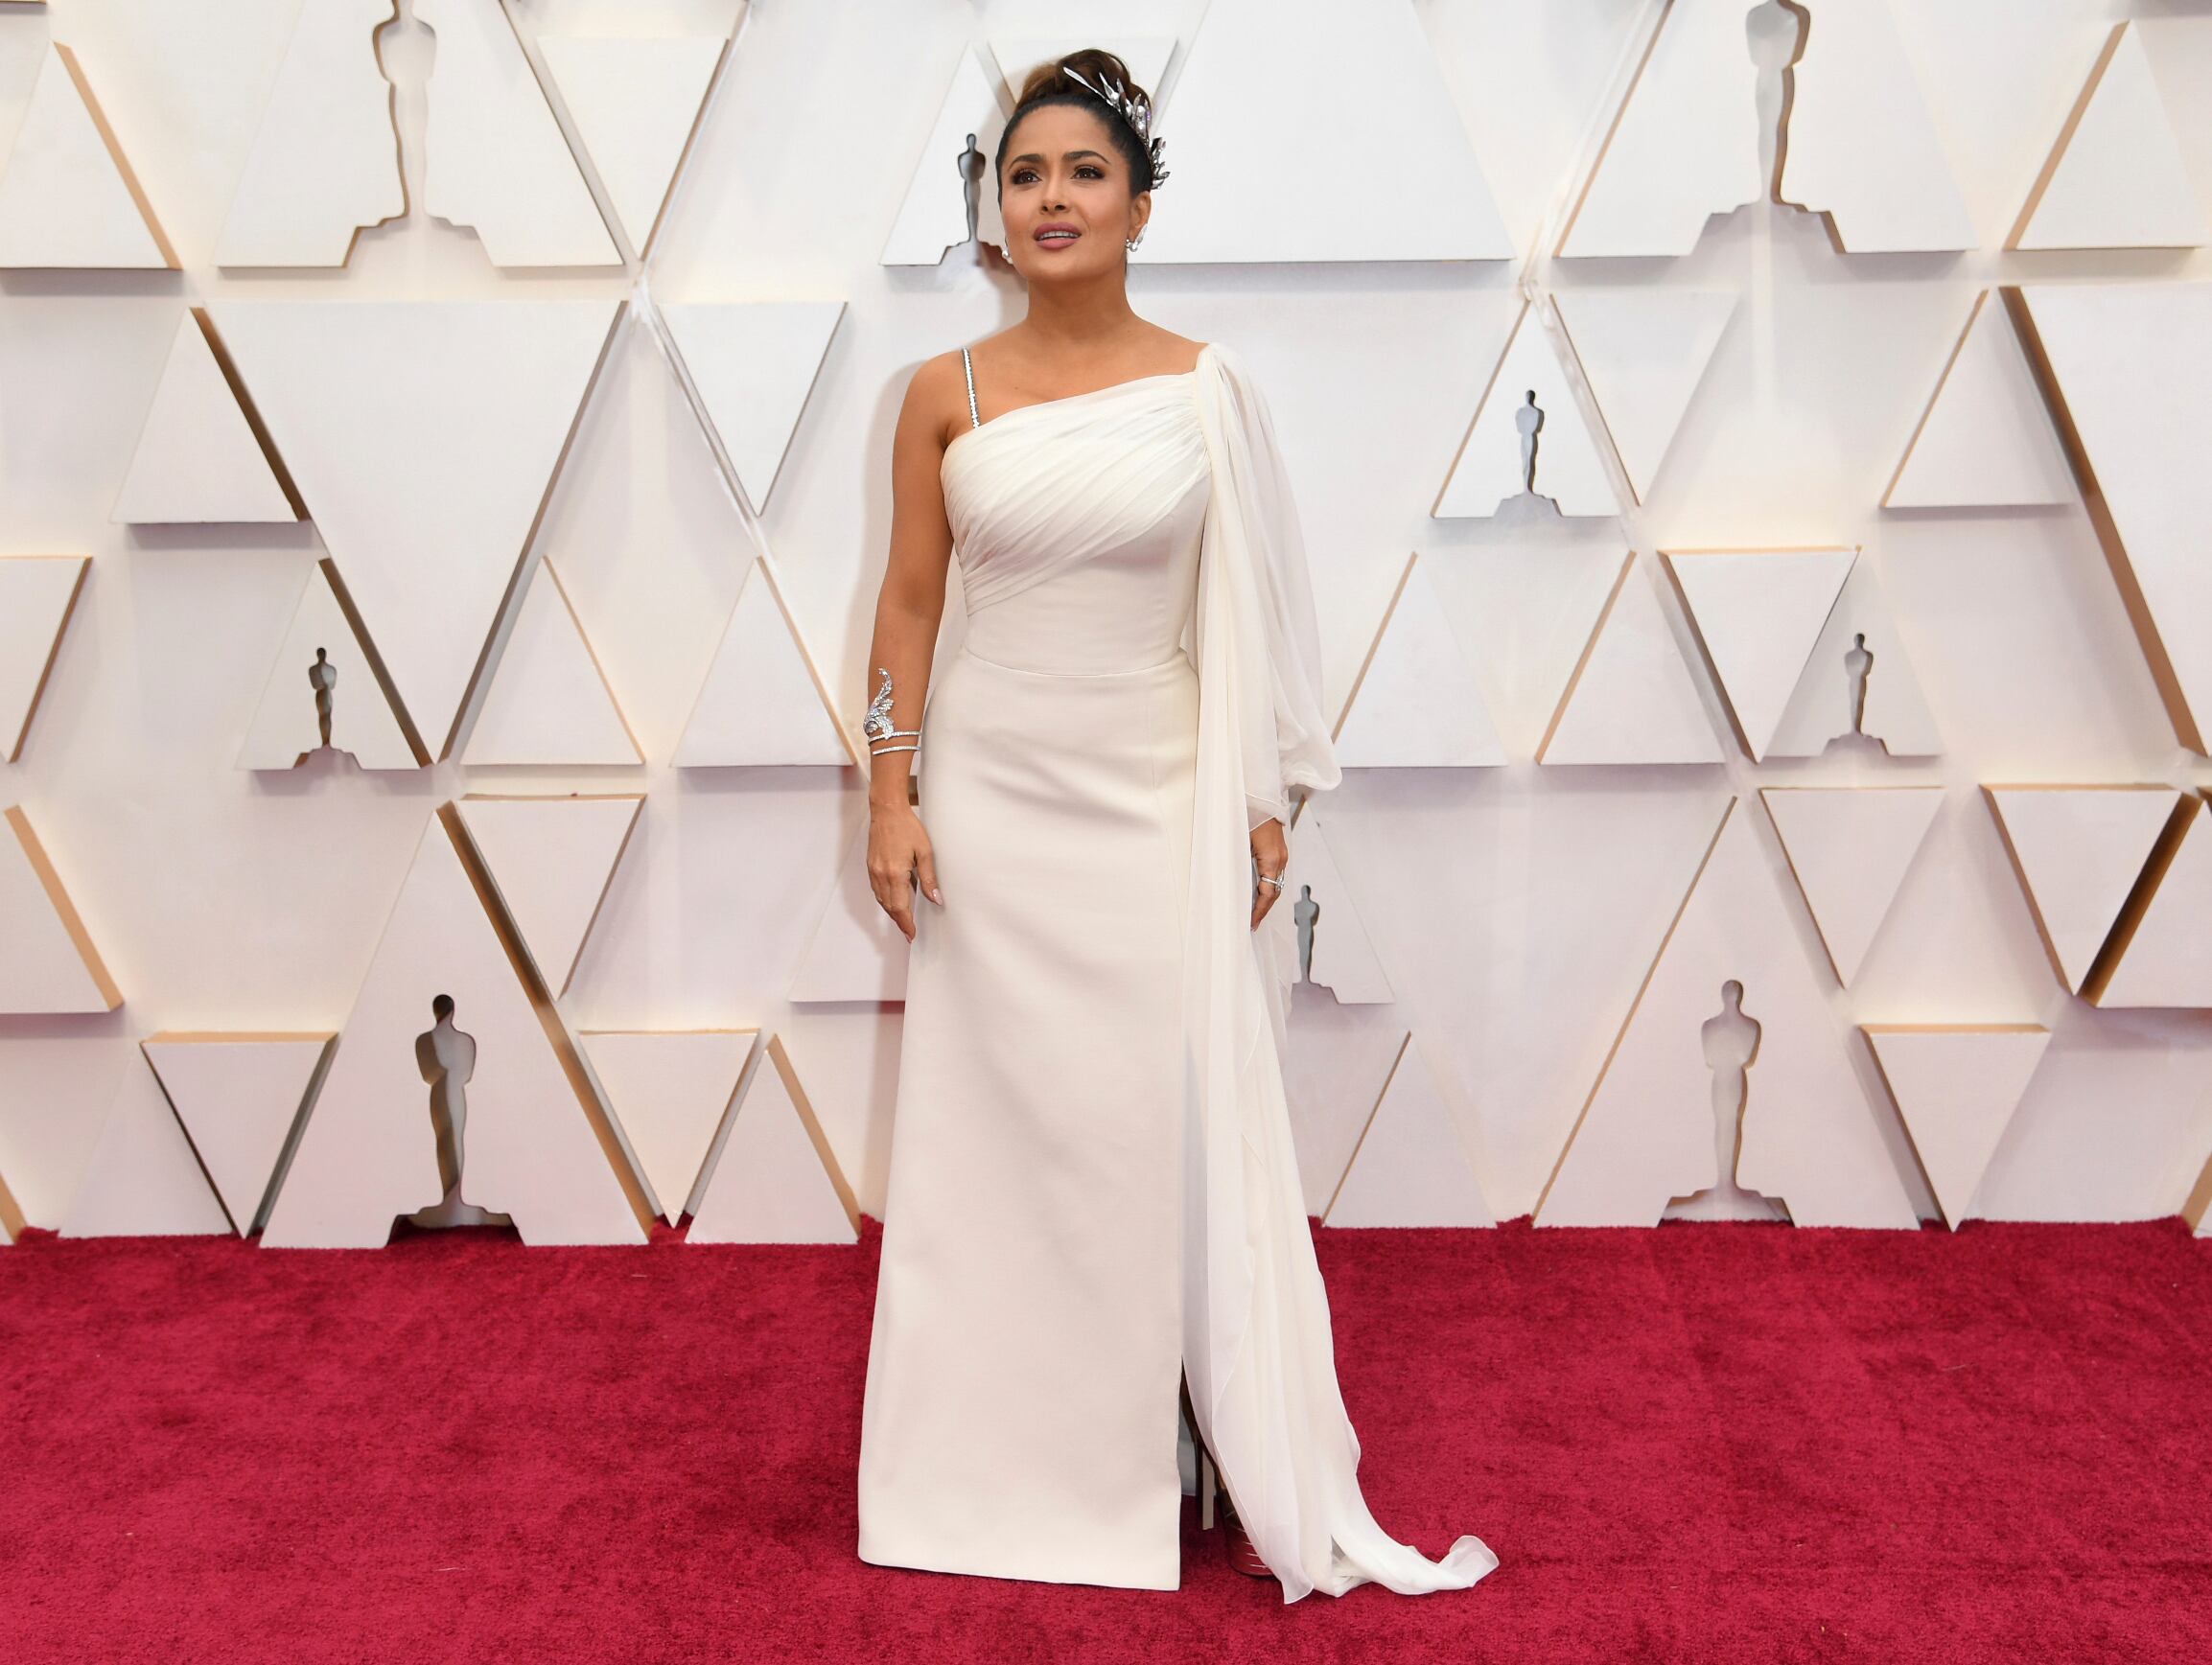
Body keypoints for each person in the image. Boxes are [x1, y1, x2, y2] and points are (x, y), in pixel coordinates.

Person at [852, 49, 1500, 1604]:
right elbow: (912, 602)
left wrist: (1262, 802)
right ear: (994, 212)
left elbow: (1254, 614)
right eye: (1024, 175)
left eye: (1084, 173)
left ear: (1140, 203)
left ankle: (1177, 1427)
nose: (1052, 199)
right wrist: (893, 787)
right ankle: (990, 1465)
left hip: (1154, 795)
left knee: (1147, 1119)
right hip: (994, 809)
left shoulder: (1211, 389)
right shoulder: (943, 394)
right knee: (998, 1137)